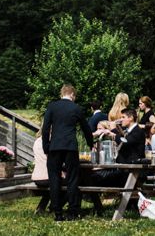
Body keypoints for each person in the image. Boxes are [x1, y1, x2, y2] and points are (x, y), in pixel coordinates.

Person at [42, 84, 93, 221]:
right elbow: (86, 128)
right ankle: (72, 211)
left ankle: (57, 213)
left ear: (62, 94)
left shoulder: (52, 106)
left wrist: (46, 147)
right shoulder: (75, 108)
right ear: (72, 95)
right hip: (70, 146)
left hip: (55, 146)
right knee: (72, 179)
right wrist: (91, 144)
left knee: (54, 179)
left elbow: (45, 128)